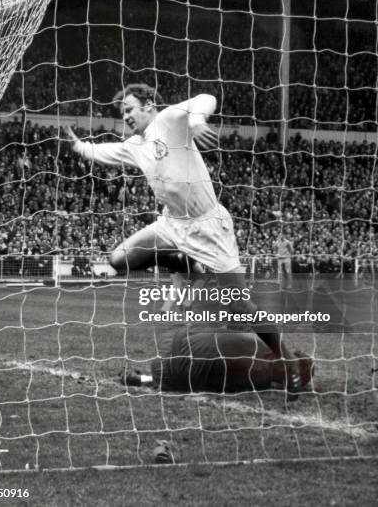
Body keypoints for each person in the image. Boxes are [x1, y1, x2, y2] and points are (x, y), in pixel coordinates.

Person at [66, 83, 301, 393]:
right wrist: (79, 146)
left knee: (239, 306)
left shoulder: (168, 120)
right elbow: (103, 152)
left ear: (149, 105)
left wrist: (198, 122)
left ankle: (289, 362)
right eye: (122, 112)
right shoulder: (136, 145)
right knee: (118, 258)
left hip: (208, 226)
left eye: (129, 110)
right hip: (172, 223)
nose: (125, 117)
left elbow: (205, 98)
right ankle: (185, 262)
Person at [121, 326, 314, 394]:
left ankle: (142, 379)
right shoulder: (260, 380)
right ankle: (144, 379)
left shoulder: (262, 342)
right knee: (198, 374)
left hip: (172, 339)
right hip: (168, 375)